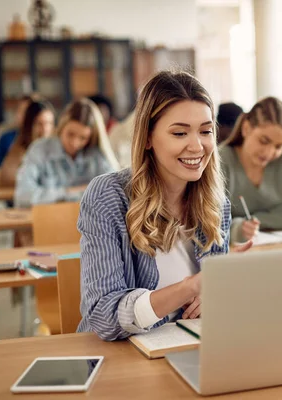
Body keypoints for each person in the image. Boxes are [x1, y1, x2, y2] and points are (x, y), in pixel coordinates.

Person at [77, 71, 251, 341]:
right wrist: (190, 287)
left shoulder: (216, 204)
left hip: (191, 347)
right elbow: (104, 317)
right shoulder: (107, 196)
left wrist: (213, 296)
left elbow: (211, 298)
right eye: (180, 133)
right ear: (147, 138)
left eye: (206, 131)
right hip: (123, 356)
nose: (197, 146)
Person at [220, 97, 282, 244]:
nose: (269, 152)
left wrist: (253, 221)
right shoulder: (219, 161)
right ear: (246, 128)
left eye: (279, 146)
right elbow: (207, 222)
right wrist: (237, 229)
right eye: (264, 141)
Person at [14, 98, 120, 208]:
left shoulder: (96, 153)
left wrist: (52, 196)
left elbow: (113, 194)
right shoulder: (39, 149)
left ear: (91, 137)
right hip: (48, 221)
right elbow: (23, 197)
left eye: (83, 138)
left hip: (87, 224)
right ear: (61, 126)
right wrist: (70, 192)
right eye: (70, 134)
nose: (74, 143)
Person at [0, 99, 55, 188]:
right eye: (39, 124)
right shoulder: (20, 148)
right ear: (29, 125)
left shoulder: (55, 146)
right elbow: (6, 179)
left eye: (49, 123)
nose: (45, 130)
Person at [0, 95, 35, 167]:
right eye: (21, 111)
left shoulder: (44, 137)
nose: (25, 116)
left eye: (28, 112)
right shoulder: (6, 137)